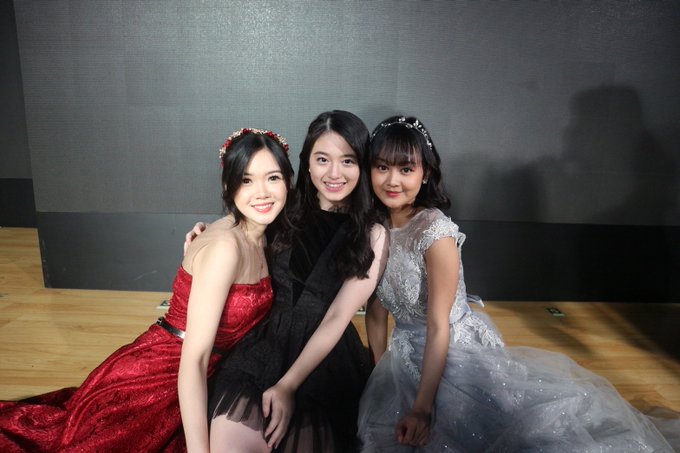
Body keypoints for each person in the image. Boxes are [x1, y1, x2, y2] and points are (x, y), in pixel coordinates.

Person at [357, 115, 678, 452]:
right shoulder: (374, 229)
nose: (392, 180)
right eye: (382, 167)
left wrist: (422, 408)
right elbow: (376, 312)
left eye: (406, 169)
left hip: (451, 352)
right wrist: (378, 375)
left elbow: (439, 326)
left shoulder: (435, 233)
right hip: (403, 355)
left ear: (425, 174)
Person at [0, 128, 295, 453]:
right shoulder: (226, 248)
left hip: (197, 374)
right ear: (228, 186)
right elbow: (194, 360)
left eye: (273, 178)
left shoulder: (260, 234)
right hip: (155, 380)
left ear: (288, 181)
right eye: (246, 180)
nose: (262, 192)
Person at [185, 110, 388, 453]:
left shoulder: (373, 234)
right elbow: (241, 228)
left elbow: (338, 316)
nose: (334, 173)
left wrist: (288, 386)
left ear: (362, 165)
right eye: (322, 159)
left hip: (323, 358)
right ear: (306, 162)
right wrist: (205, 234)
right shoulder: (283, 205)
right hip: (261, 346)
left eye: (348, 161)